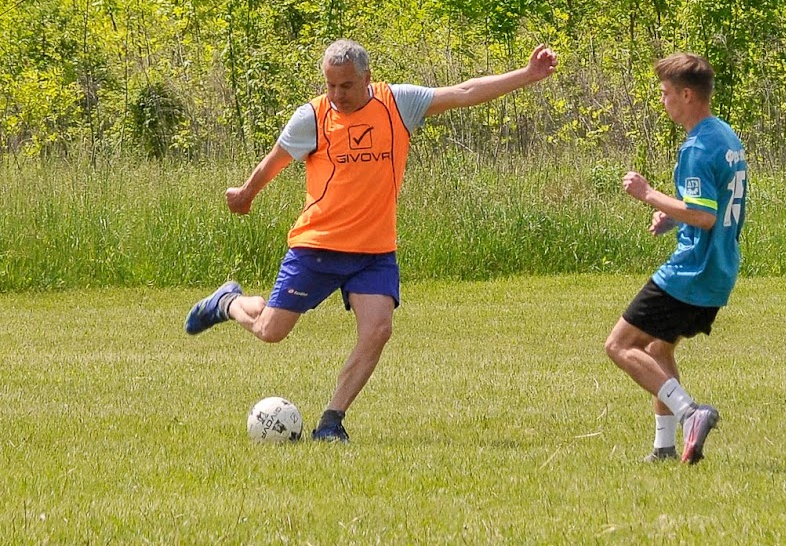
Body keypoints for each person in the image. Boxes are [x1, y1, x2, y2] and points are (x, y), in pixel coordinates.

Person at [185, 39, 558, 442]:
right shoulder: (311, 117)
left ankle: (330, 422)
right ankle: (227, 302)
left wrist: (526, 75)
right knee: (271, 331)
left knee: (378, 330)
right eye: (330, 85)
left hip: (374, 251)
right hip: (318, 244)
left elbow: (464, 91)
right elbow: (275, 160)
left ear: (367, 78)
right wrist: (245, 193)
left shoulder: (397, 104)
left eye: (345, 86)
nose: (336, 95)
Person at [604, 52, 747, 464]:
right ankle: (664, 449)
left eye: (666, 94)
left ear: (687, 94)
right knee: (658, 351)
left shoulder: (697, 148)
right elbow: (710, 204)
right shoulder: (725, 136)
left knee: (619, 345)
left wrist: (649, 195)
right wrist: (671, 215)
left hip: (691, 271)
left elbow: (703, 216)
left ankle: (690, 413)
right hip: (719, 269)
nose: (663, 101)